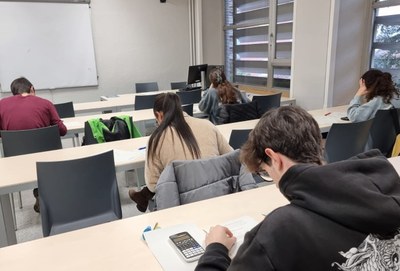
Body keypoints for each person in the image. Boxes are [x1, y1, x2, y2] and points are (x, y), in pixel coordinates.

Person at [195, 105, 400, 271]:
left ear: (275, 158)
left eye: (266, 172)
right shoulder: (382, 185)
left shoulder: (278, 231)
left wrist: (215, 249)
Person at [129, 92, 233, 212]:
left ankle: (142, 197)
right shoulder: (208, 125)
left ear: (159, 115)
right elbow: (230, 156)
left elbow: (153, 185)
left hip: (181, 206)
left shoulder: (156, 139)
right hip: (219, 196)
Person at [0, 77, 67, 213]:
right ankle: (46, 193)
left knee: (31, 159)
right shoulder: (45, 103)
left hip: (16, 160)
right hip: (47, 161)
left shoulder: (2, 104)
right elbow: (62, 131)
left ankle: (39, 193)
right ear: (32, 89)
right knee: (43, 157)